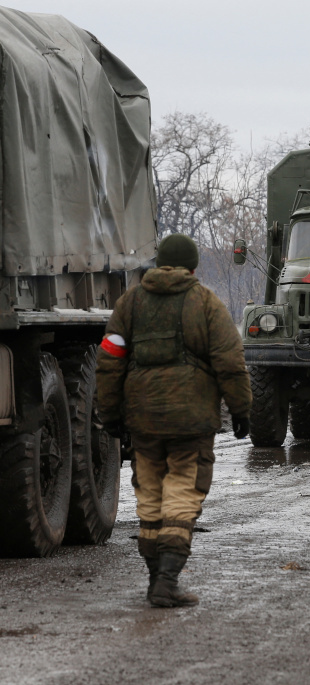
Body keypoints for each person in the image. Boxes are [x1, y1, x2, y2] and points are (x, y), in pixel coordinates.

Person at [96, 234, 252, 608]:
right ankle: (166, 581)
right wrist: (242, 409)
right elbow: (229, 362)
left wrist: (110, 413)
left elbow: (109, 360)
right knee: (183, 491)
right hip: (191, 420)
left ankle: (155, 580)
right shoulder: (207, 303)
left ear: (157, 264)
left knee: (149, 494)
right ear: (193, 267)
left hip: (142, 419)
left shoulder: (128, 304)